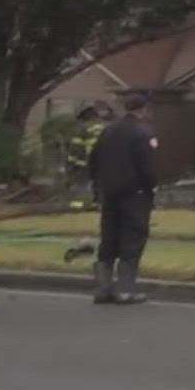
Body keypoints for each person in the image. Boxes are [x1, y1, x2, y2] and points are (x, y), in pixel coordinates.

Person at [86, 93, 159, 305]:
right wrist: (152, 185)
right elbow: (146, 164)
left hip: (110, 192)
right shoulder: (142, 133)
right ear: (144, 110)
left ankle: (103, 287)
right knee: (133, 237)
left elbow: (94, 159)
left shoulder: (108, 131)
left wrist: (99, 185)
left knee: (109, 237)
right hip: (134, 193)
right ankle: (125, 289)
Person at [67, 104, 107, 192]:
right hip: (106, 165)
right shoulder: (107, 127)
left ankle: (81, 205)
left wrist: (72, 164)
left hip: (86, 165)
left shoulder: (84, 128)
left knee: (82, 190)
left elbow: (76, 149)